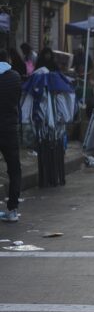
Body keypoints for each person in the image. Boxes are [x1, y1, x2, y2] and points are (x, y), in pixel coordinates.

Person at [0, 49, 23, 223]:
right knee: (14, 170)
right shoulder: (15, 77)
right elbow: (17, 100)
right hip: (9, 130)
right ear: (7, 59)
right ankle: (12, 210)